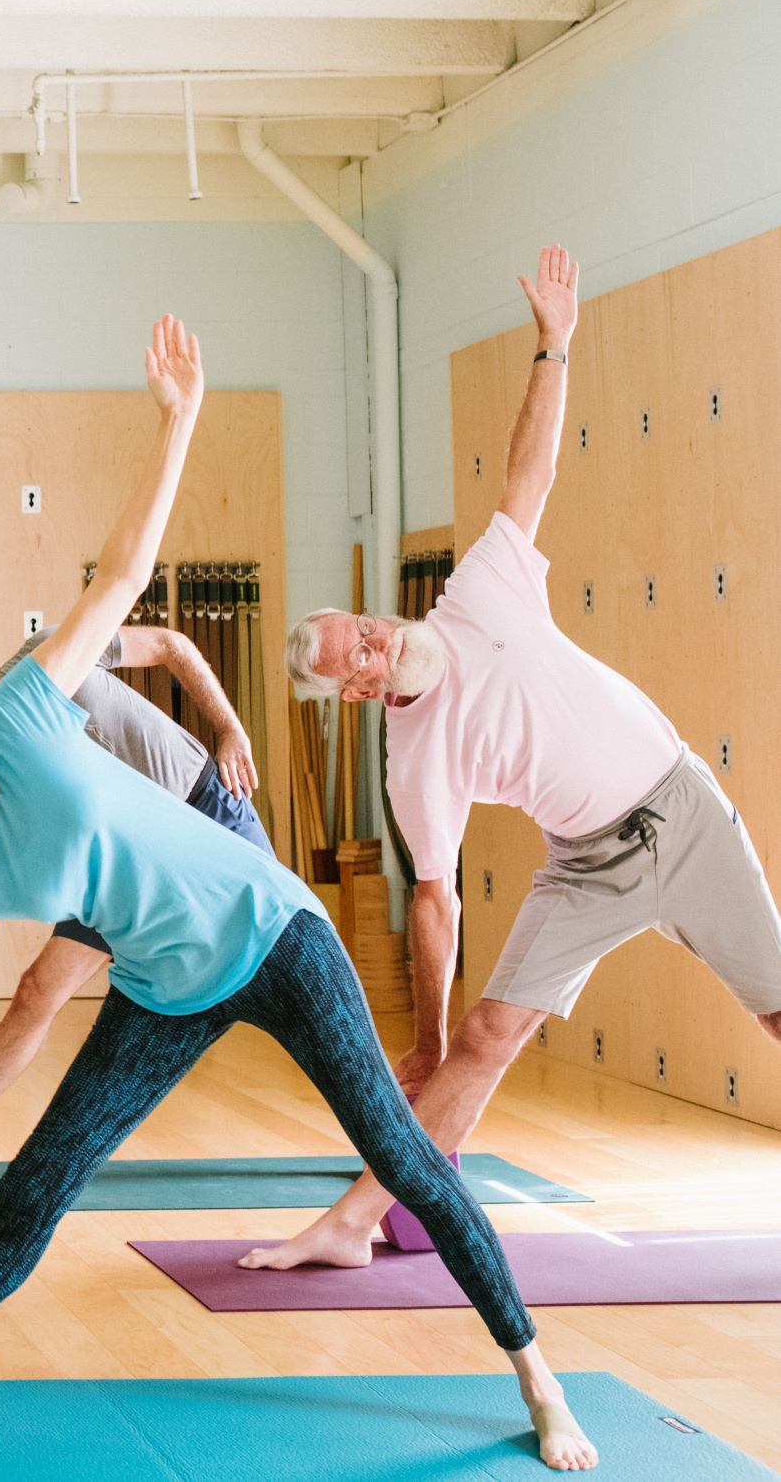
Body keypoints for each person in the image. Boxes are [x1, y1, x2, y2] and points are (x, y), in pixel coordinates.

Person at [0, 322, 593, 1470]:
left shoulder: (11, 716)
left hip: (273, 932)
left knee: (402, 1156)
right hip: (162, 987)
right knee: (34, 1186)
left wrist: (179, 420)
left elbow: (118, 583)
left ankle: (537, 1374)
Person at [251, 244, 781, 1274]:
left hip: (680, 809)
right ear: (354, 694)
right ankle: (354, 1220)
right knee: (493, 1034)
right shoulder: (415, 759)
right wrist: (435, 1034)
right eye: (349, 662)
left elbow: (527, 469)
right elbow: (433, 902)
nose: (368, 646)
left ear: (372, 619)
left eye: (359, 629)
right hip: (585, 865)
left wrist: (555, 345)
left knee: (775, 1008)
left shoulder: (479, 589)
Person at [0, 616, 272, 1180]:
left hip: (207, 815)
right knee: (36, 992)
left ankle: (394, 1138)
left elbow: (168, 645)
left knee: (285, 988)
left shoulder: (51, 656)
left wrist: (230, 730)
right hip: (120, 868)